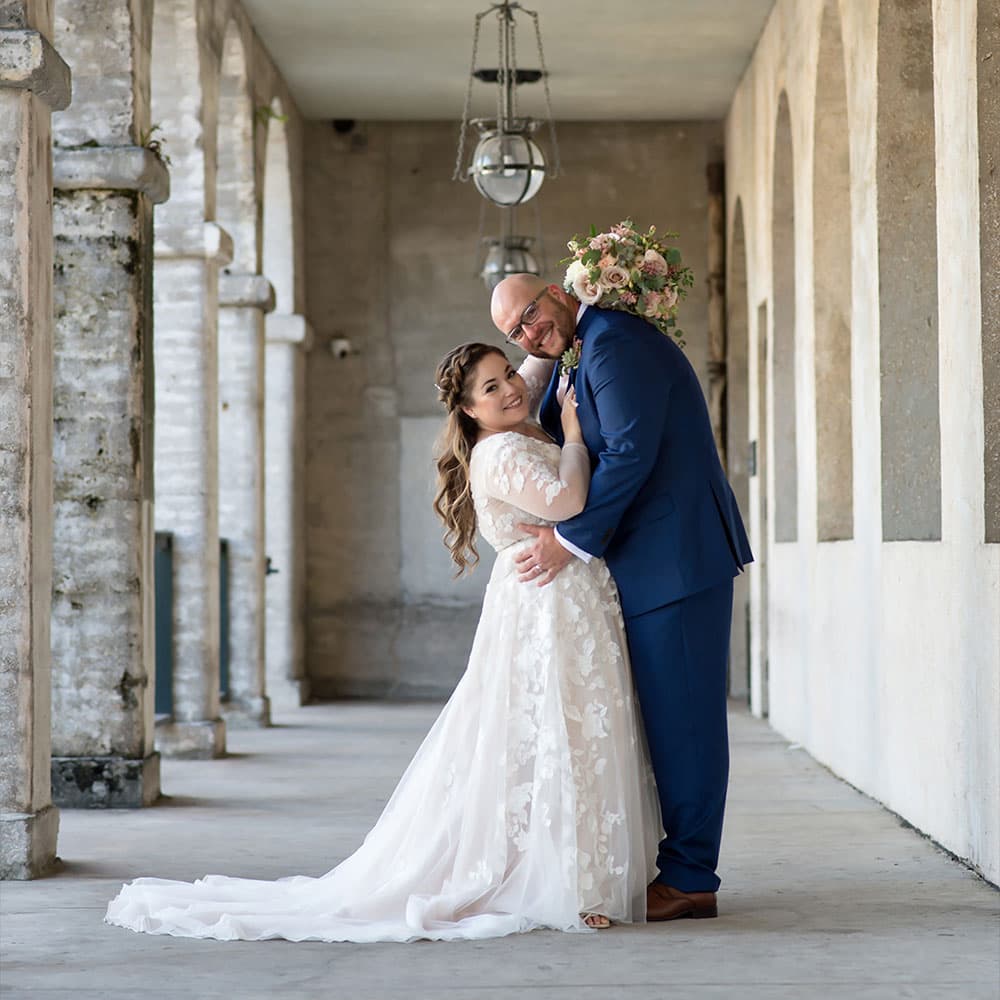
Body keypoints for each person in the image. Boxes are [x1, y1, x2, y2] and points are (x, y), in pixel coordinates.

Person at [105, 342, 658, 943]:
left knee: (576, 728)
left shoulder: (514, 420)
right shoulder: (498, 451)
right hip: (544, 605)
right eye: (491, 388)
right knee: (549, 730)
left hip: (568, 598)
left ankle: (581, 876)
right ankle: (564, 881)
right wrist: (574, 432)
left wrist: (560, 310)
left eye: (506, 377)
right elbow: (571, 500)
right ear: (470, 410)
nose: (509, 390)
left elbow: (533, 369)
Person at [492, 274, 753, 921]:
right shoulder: (582, 345)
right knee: (664, 724)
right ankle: (680, 867)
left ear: (558, 289)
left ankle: (692, 877)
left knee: (685, 724)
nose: (530, 333)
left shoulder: (614, 343)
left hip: (677, 559)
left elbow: (632, 453)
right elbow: (527, 402)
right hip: (647, 565)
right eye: (516, 332)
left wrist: (569, 540)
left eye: (531, 314)